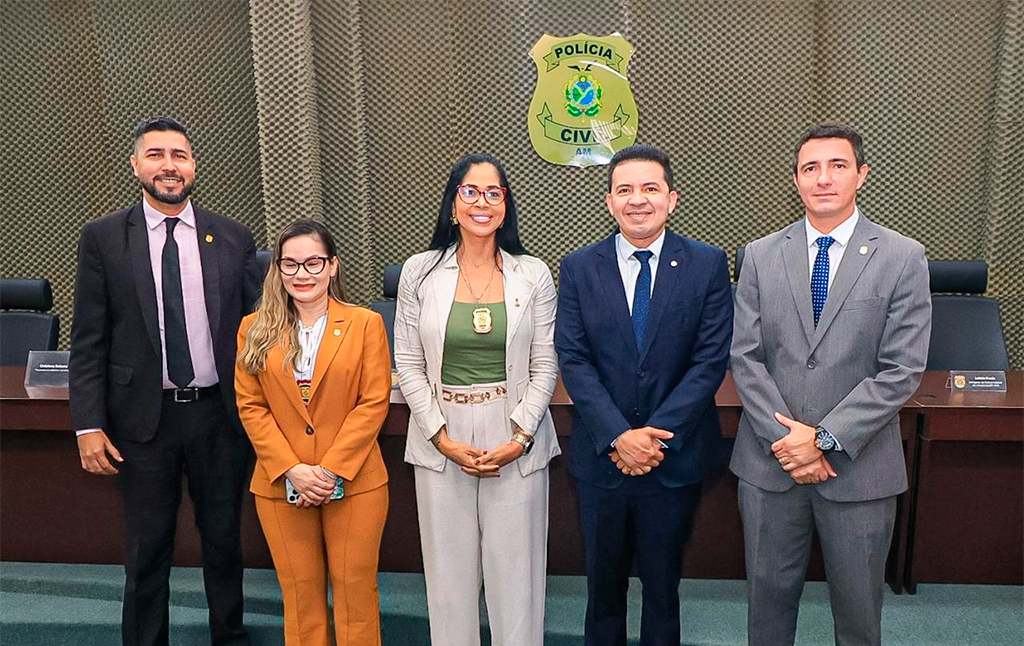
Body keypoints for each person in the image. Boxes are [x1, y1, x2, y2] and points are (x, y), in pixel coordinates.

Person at [730, 122, 931, 646]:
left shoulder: (902, 256)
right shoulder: (759, 255)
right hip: (769, 467)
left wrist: (821, 439)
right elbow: (745, 358)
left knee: (859, 615)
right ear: (796, 180)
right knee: (766, 610)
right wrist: (788, 443)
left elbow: (902, 369)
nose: (823, 179)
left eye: (837, 166)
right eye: (810, 168)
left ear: (861, 174)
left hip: (859, 470)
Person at [69, 116, 260, 646]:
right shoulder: (104, 238)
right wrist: (88, 425)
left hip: (217, 418)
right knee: (147, 549)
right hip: (140, 423)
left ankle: (230, 636)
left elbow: (256, 335)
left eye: (179, 155)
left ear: (194, 166)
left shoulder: (233, 237)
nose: (169, 166)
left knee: (224, 542)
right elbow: (89, 340)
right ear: (135, 166)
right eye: (155, 155)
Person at [554, 144, 734, 646]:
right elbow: (574, 360)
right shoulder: (578, 268)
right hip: (601, 461)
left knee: (663, 593)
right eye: (625, 189)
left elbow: (709, 361)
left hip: (671, 460)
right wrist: (618, 436)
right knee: (602, 594)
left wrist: (653, 438)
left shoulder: (706, 264)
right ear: (609, 201)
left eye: (650, 188)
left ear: (672, 199)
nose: (638, 199)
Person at [394, 153, 560, 646]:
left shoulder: (534, 274)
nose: (481, 202)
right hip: (440, 436)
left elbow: (544, 364)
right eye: (470, 191)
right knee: (449, 589)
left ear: (506, 205)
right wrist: (440, 437)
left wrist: (521, 436)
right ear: (452, 204)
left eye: (494, 193)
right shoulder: (419, 273)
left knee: (518, 588)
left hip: (514, 436)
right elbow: (408, 362)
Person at [235, 219, 391, 646]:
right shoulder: (254, 329)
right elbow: (251, 406)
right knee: (300, 598)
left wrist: (328, 470)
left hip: (355, 482)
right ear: (278, 271)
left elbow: (373, 403)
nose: (302, 274)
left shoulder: (365, 324)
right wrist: (292, 469)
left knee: (355, 595)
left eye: (313, 263)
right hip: (281, 485)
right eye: (290, 264)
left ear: (333, 266)